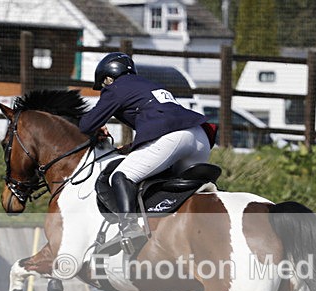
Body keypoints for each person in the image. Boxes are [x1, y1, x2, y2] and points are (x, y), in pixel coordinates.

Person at [78, 52, 214, 255]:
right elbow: (162, 119)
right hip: (200, 138)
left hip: (173, 138)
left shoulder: (115, 88)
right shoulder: (149, 85)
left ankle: (129, 230)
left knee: (121, 175)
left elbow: (87, 124)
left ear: (108, 78)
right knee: (170, 187)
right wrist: (133, 146)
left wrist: (97, 128)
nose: (105, 88)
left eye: (104, 83)